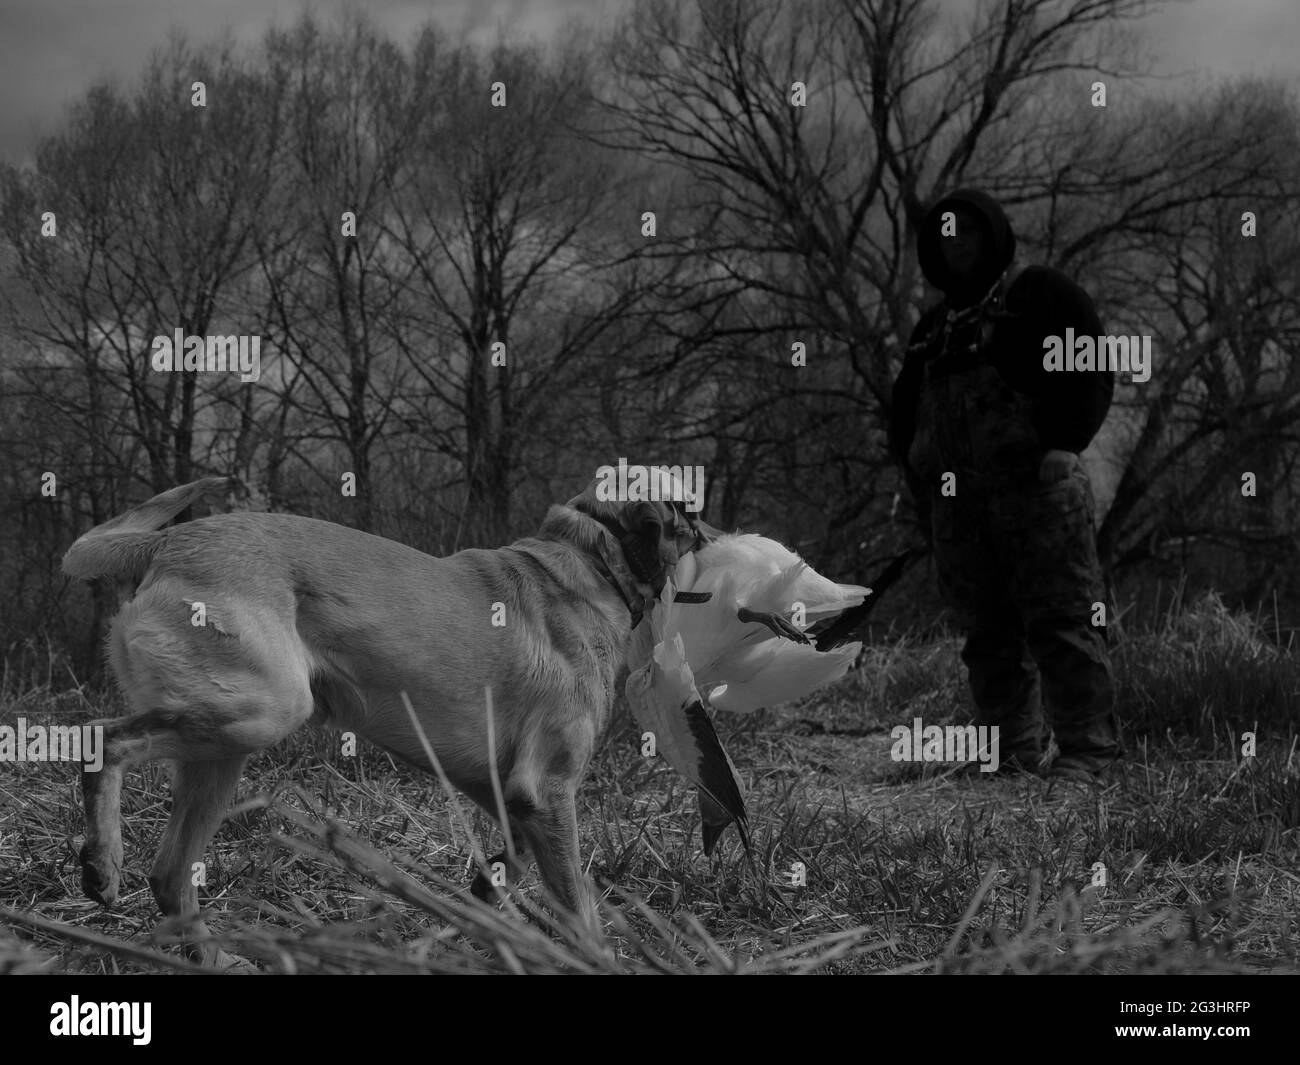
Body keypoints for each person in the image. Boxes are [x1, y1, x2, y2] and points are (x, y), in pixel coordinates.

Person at [889, 188, 1123, 781]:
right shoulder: (932, 330)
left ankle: (1087, 755)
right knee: (986, 633)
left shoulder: (1039, 295)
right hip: (961, 510)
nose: (956, 245)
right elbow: (904, 417)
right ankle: (1012, 752)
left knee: (1062, 620)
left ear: (991, 235)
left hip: (1040, 497)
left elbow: (1091, 363)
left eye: (965, 233)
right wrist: (922, 481)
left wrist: (1064, 443)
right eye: (944, 237)